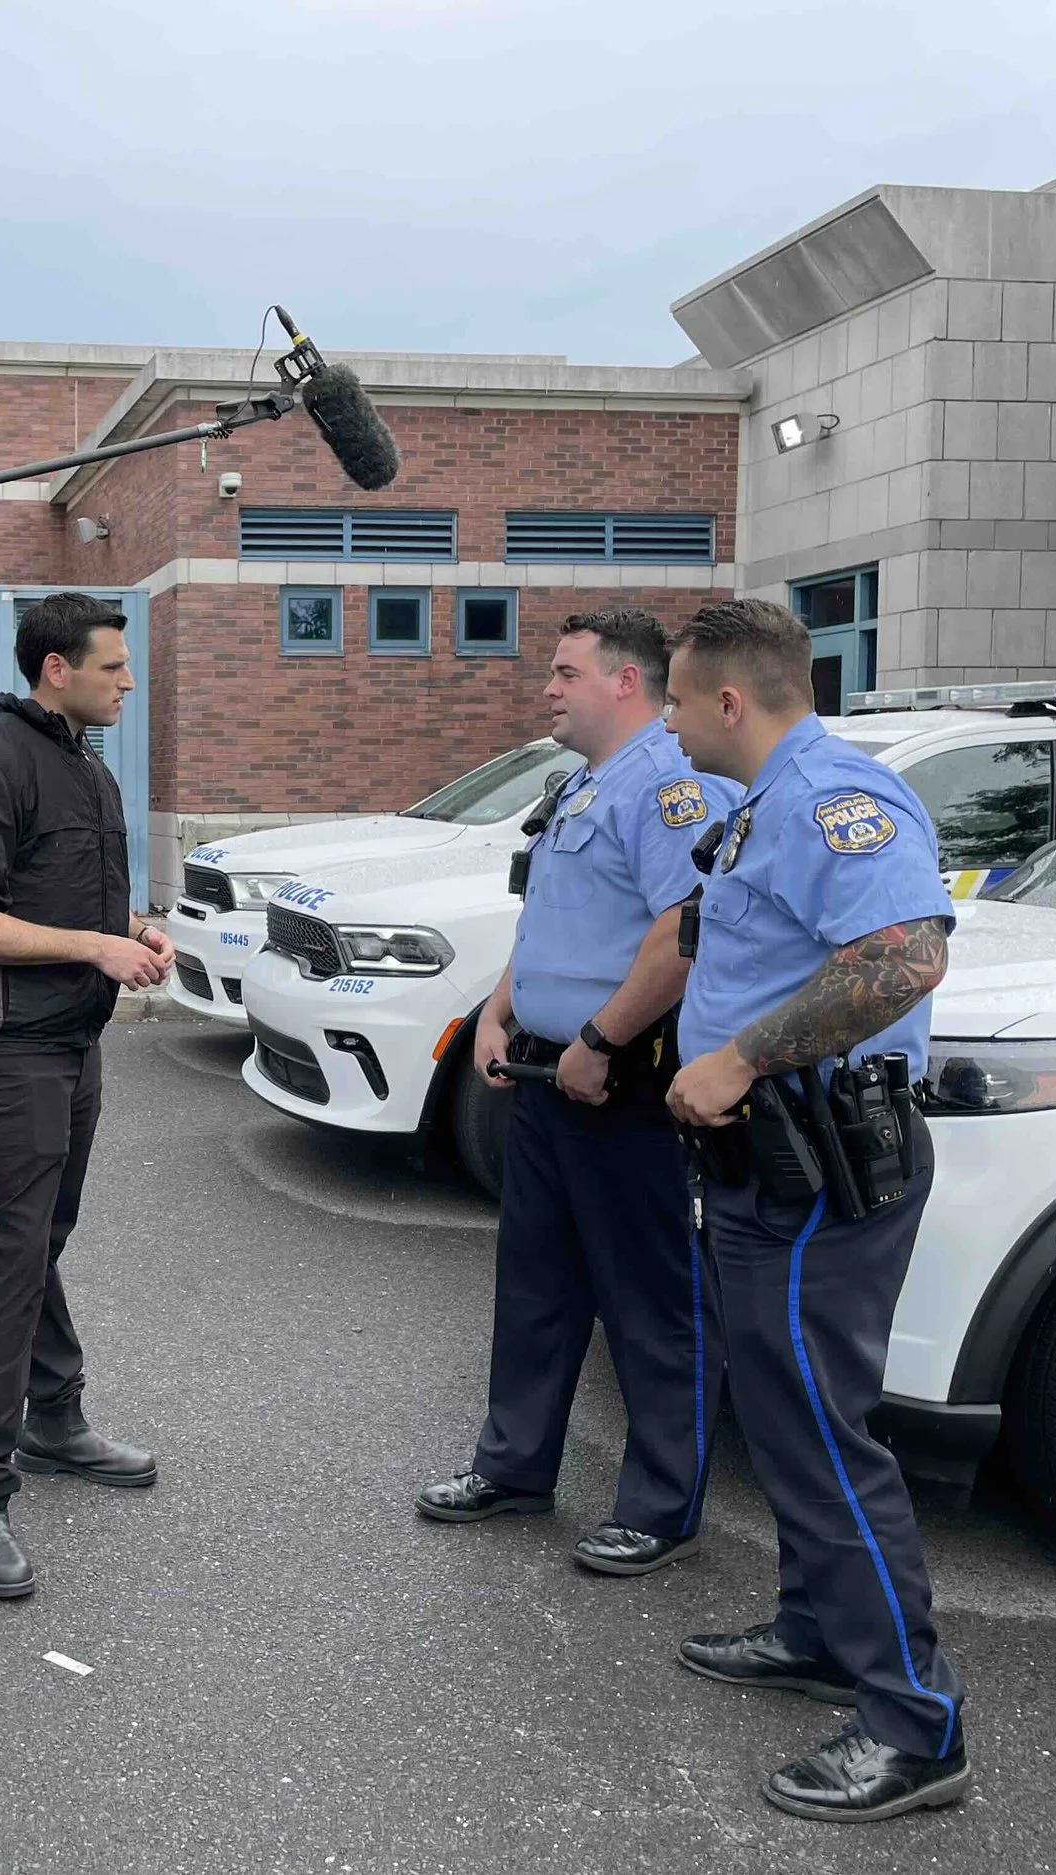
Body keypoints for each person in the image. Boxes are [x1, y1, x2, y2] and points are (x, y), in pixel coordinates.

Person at [659, 597, 968, 1823]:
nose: (669, 724)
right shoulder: (765, 803)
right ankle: (817, 1633)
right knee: (785, 1424)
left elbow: (903, 957)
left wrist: (737, 1059)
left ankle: (914, 1726)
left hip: (816, 1162)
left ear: (730, 700)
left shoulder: (839, 798)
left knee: (824, 1438)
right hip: (762, 1162)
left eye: (677, 701)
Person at [418, 608, 737, 1573]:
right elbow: (550, 921)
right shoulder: (584, 783)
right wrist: (498, 1010)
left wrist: (601, 1039)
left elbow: (683, 930)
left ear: (625, 681)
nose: (548, 688)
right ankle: (515, 1467)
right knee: (537, 1284)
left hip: (622, 1080)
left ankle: (661, 1505)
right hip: (548, 1072)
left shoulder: (671, 785)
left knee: (650, 1300)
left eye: (565, 672)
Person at [0, 591, 171, 1599]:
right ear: (56, 668)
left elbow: (74, 892)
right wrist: (96, 947)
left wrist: (135, 930)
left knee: (44, 1234)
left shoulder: (84, 765)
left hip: (74, 1034)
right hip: (7, 1040)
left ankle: (55, 1420)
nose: (128, 681)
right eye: (113, 665)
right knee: (17, 1245)